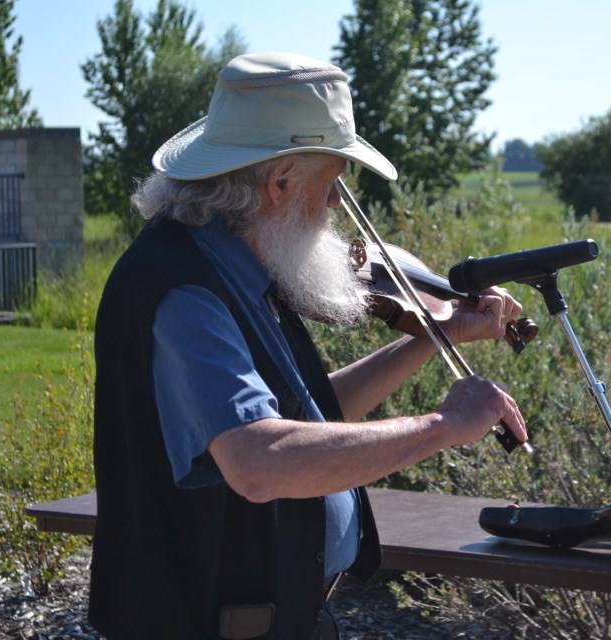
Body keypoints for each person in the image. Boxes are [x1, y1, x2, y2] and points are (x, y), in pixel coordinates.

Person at [88, 51, 528, 640]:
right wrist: (444, 424)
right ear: (279, 183)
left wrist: (437, 336)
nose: (336, 204)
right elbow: (261, 462)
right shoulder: (185, 292)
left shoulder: (238, 266)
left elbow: (310, 416)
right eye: (333, 181)